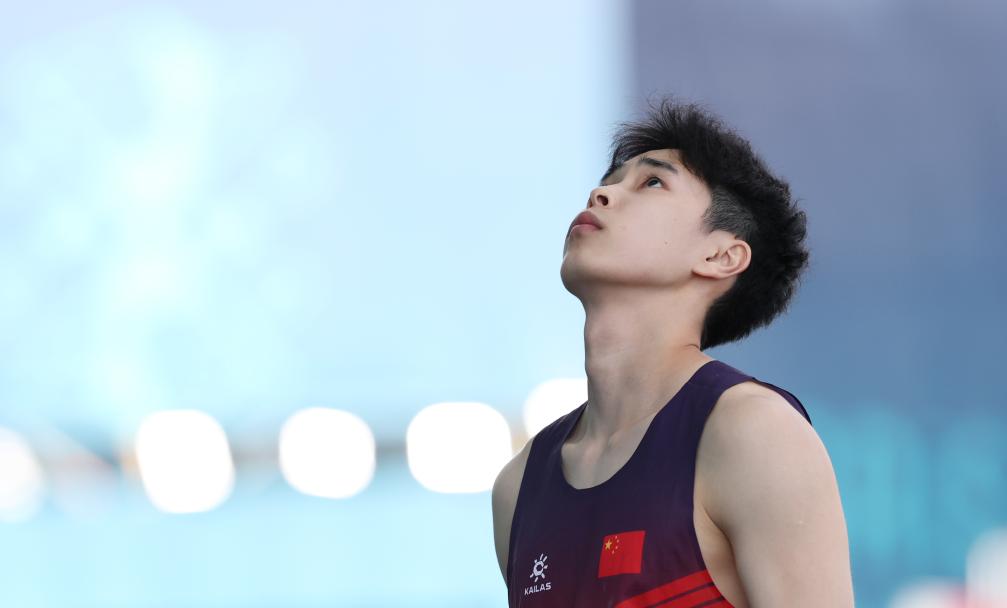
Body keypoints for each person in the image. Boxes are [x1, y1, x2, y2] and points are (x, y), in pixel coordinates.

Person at [491, 95, 854, 607]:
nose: (601, 194)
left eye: (652, 183)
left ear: (721, 255)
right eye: (610, 181)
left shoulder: (753, 432)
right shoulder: (518, 487)